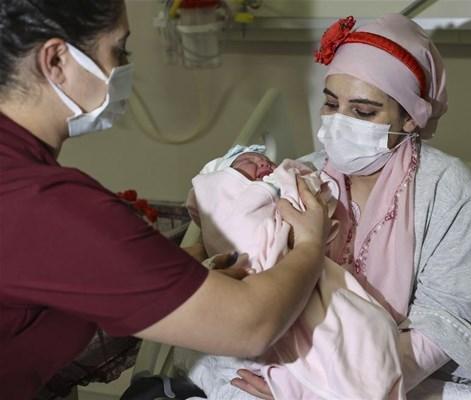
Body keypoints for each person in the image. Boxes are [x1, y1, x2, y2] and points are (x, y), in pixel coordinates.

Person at [0, 1, 331, 398]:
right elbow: (250, 325)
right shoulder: (44, 204)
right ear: (56, 60)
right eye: (118, 50)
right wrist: (311, 245)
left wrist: (172, 277)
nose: (125, 66)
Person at [232, 14, 471, 399]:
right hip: (297, 357)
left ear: (409, 118)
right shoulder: (303, 174)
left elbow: (444, 326)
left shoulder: (446, 188)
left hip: (406, 374)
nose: (338, 124)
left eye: (362, 112)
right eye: (330, 103)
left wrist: (329, 388)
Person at [184, 145, 404, 399]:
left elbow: (311, 203)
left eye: (266, 160)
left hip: (296, 270)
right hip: (255, 279)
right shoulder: (219, 192)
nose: (263, 163)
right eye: (248, 161)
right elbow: (211, 206)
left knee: (366, 326)